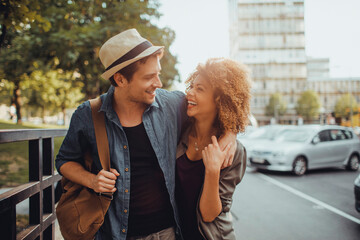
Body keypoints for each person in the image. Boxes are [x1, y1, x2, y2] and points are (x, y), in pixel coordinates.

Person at [55, 29, 235, 240]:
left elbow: (219, 105)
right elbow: (64, 161)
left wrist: (231, 132)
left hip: (168, 233)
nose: (158, 83)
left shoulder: (171, 104)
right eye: (149, 77)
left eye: (157, 74)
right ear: (120, 79)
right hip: (114, 233)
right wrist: (92, 180)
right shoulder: (88, 114)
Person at [175, 58, 250, 239]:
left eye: (199, 89)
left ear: (219, 99)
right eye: (191, 86)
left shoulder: (233, 151)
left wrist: (212, 170)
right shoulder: (178, 130)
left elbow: (209, 215)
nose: (189, 93)